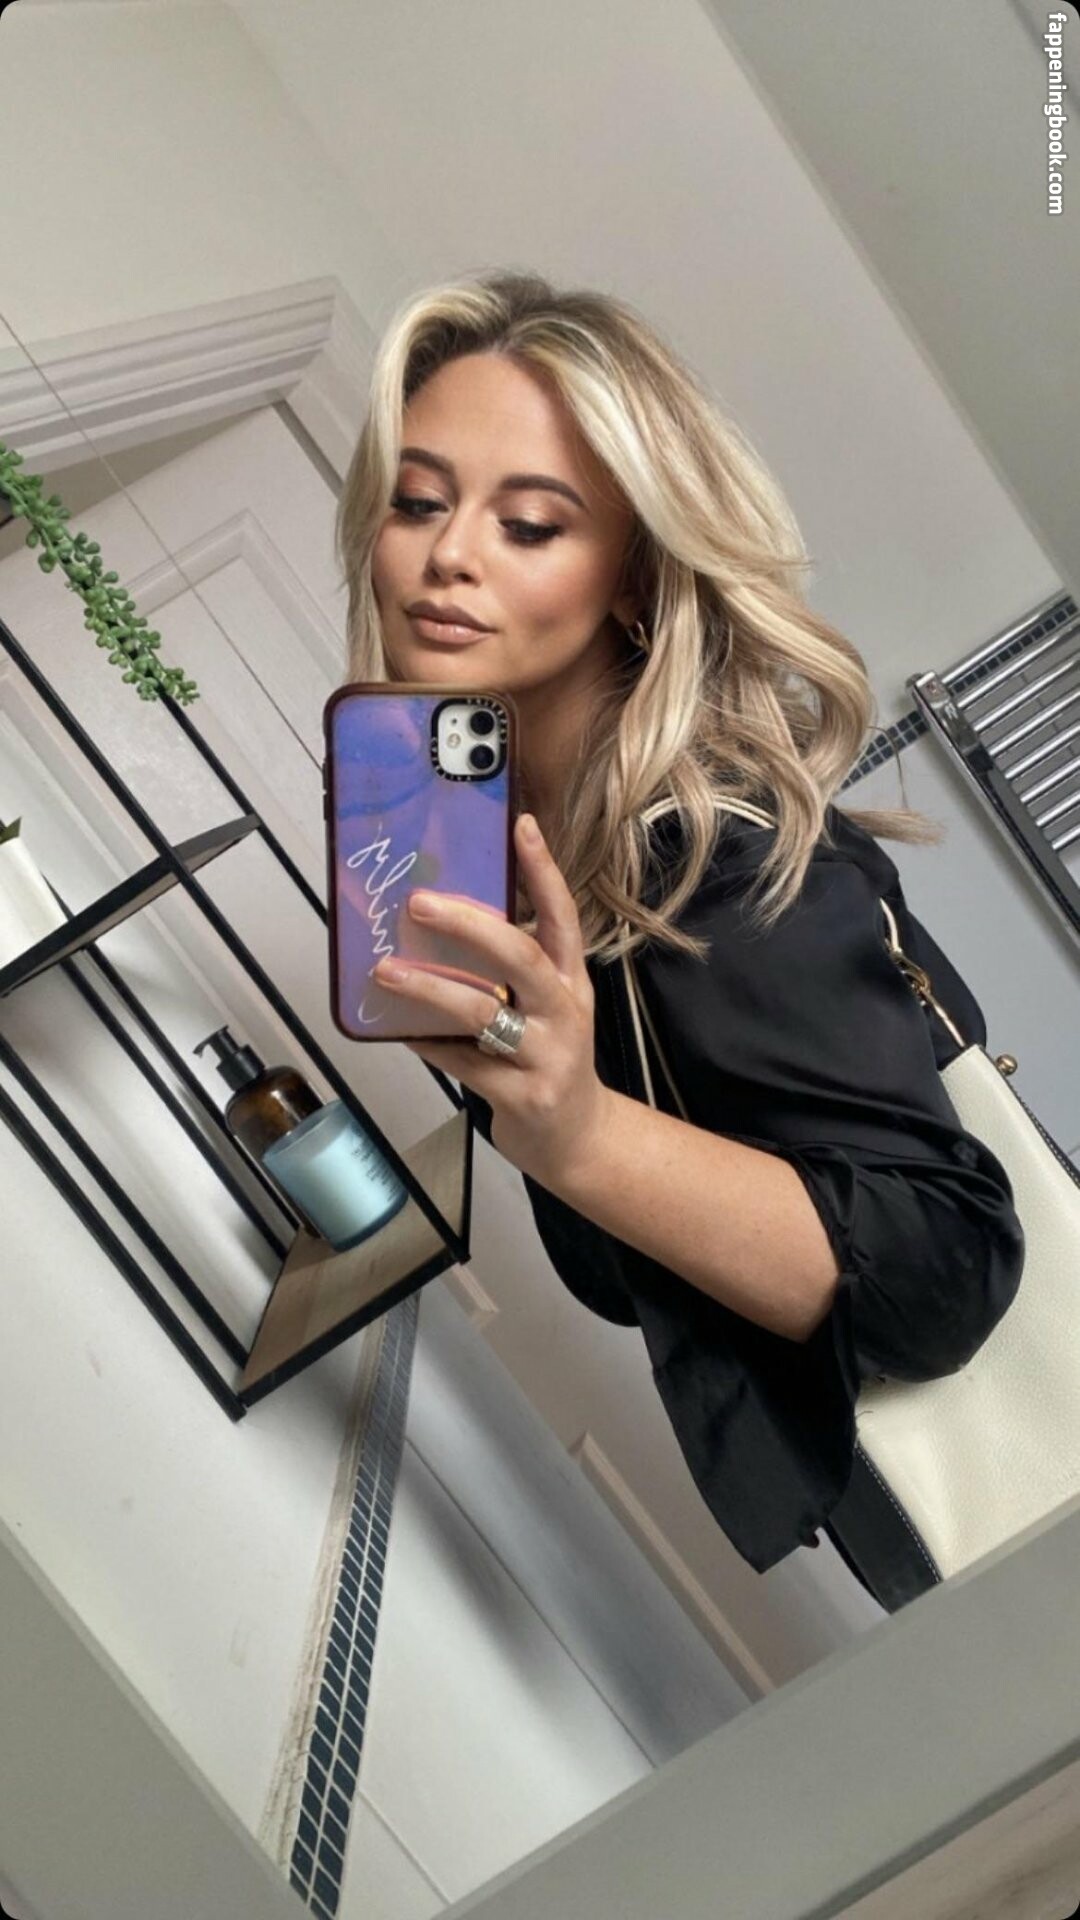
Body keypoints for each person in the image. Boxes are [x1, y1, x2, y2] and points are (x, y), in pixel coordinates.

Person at [333, 269, 1026, 1613]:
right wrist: (544, 1115)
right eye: (417, 502)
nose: (447, 555)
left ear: (635, 579)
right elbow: (620, 1274)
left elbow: (948, 1267)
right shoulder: (540, 877)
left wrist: (582, 1134)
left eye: (529, 523)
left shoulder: (715, 853)